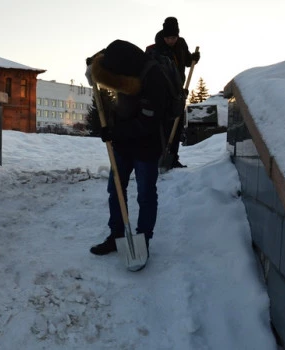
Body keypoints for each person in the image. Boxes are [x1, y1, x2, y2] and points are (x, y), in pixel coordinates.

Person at [85, 40, 170, 266]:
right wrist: (91, 64)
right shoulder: (119, 59)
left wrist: (115, 131)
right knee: (116, 190)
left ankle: (143, 241)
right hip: (122, 144)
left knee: (145, 195)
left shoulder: (154, 78)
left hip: (147, 145)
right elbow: (102, 55)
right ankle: (116, 236)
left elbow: (148, 122)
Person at [146, 17, 200, 168]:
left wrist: (194, 58)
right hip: (163, 94)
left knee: (177, 126)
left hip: (179, 93)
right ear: (164, 36)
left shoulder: (181, 44)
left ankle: (173, 158)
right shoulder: (155, 49)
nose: (171, 41)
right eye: (169, 38)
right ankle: (159, 156)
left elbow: (188, 62)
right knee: (163, 126)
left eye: (174, 37)